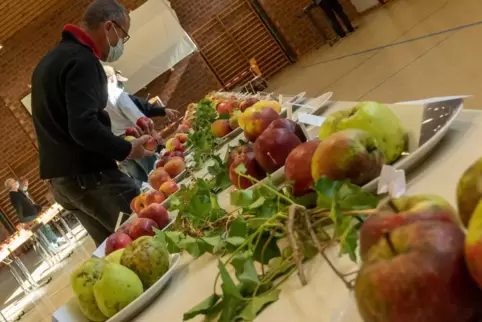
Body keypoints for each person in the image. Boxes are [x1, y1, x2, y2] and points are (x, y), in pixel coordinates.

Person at [31, 0, 155, 246]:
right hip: (92, 178)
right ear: (109, 27)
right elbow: (83, 127)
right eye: (123, 35)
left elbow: (66, 126)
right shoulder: (83, 60)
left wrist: (115, 140)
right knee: (151, 237)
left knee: (120, 254)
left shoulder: (51, 61)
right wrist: (128, 149)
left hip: (65, 184)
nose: (121, 44)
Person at [103, 65, 179, 185]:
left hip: (117, 144)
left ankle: (152, 199)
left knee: (140, 179)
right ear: (112, 78)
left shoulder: (95, 100)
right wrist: (154, 135)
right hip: (135, 137)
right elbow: (138, 117)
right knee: (156, 171)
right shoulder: (116, 94)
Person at [5, 179, 60, 245]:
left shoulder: (18, 191)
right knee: (40, 231)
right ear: (11, 185)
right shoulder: (13, 196)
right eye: (14, 182)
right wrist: (22, 221)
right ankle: (51, 245)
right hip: (28, 217)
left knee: (45, 227)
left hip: (33, 213)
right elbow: (19, 209)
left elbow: (29, 203)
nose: (16, 183)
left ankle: (54, 240)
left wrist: (40, 207)